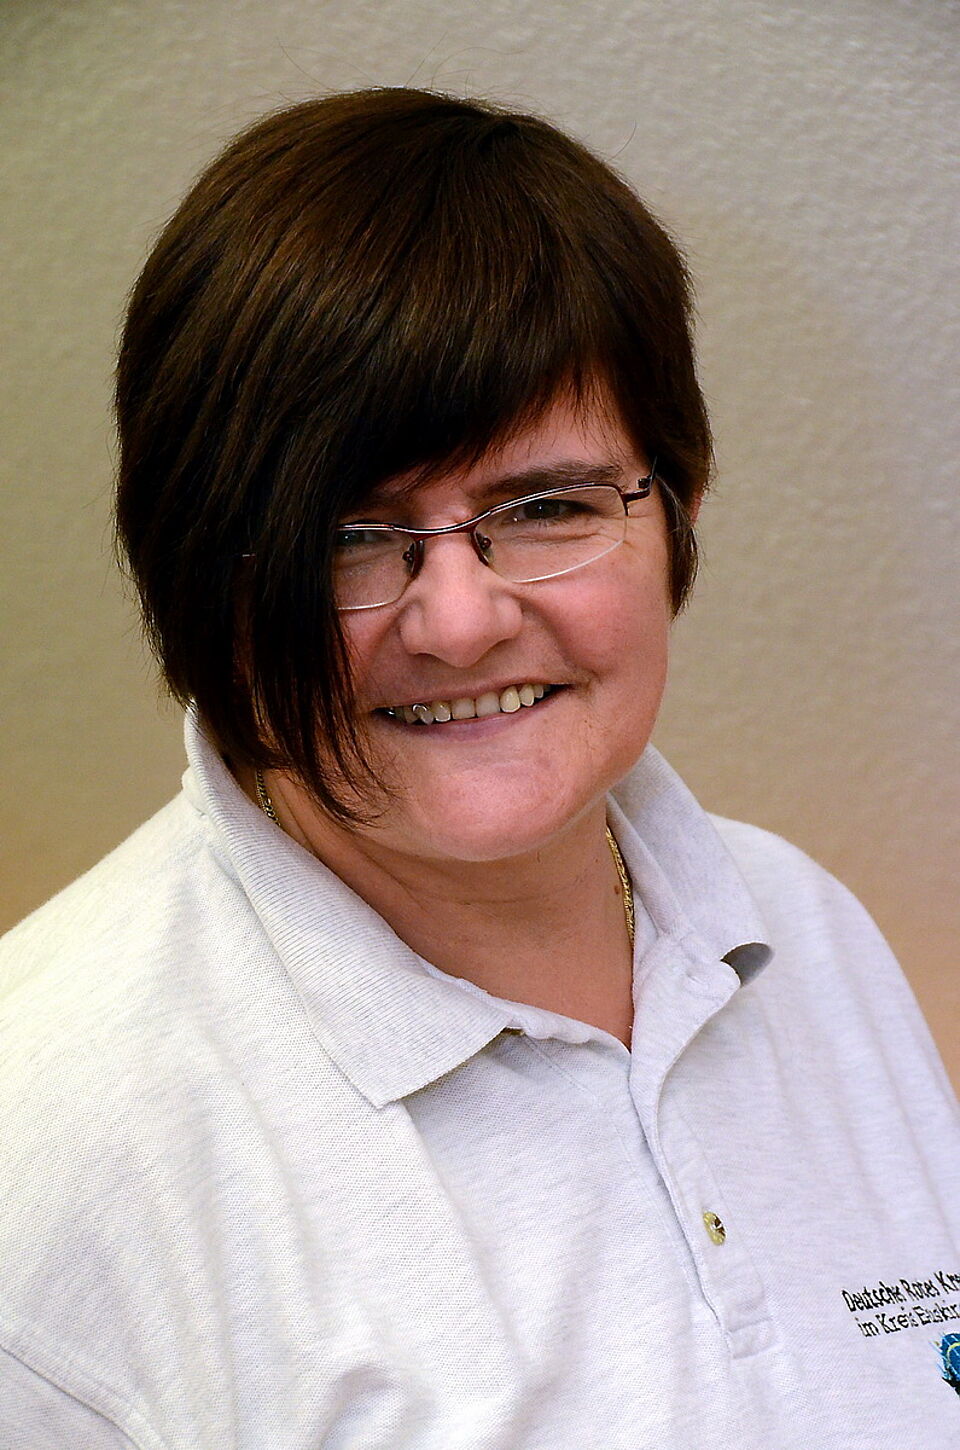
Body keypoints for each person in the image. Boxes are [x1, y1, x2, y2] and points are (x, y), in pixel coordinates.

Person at [1, 87, 958, 1450]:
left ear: (678, 509)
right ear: (200, 575)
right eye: (347, 534)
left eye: (549, 506)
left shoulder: (807, 931)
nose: (458, 622)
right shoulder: (46, 1145)